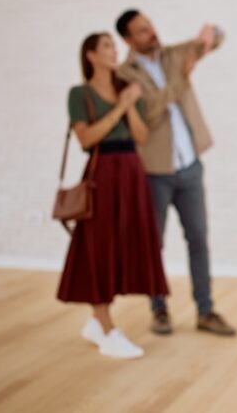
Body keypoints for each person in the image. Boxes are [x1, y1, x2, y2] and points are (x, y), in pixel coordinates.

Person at [115, 10, 236, 337]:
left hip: (190, 167)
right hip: (155, 172)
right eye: (142, 31)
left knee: (198, 239)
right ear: (128, 39)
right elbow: (150, 112)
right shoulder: (124, 74)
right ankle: (159, 310)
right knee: (154, 245)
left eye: (150, 25)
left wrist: (212, 32)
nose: (151, 33)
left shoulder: (172, 54)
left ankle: (206, 310)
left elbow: (215, 40)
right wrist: (182, 78)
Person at [57, 32, 170, 360]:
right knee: (99, 249)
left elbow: (140, 135)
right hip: (102, 175)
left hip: (132, 173)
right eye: (106, 45)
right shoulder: (79, 94)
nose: (113, 51)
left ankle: (96, 322)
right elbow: (86, 138)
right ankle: (107, 329)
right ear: (90, 55)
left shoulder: (124, 88)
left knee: (123, 245)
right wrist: (120, 106)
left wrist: (129, 104)